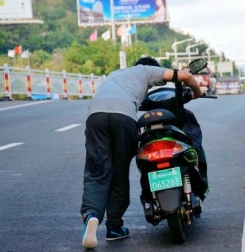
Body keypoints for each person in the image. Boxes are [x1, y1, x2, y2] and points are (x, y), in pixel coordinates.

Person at [80, 56, 204, 250]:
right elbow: (186, 77)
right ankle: (114, 227)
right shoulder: (146, 70)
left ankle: (91, 215)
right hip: (124, 118)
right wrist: (198, 92)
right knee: (119, 173)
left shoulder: (116, 74)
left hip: (96, 116)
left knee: (97, 172)